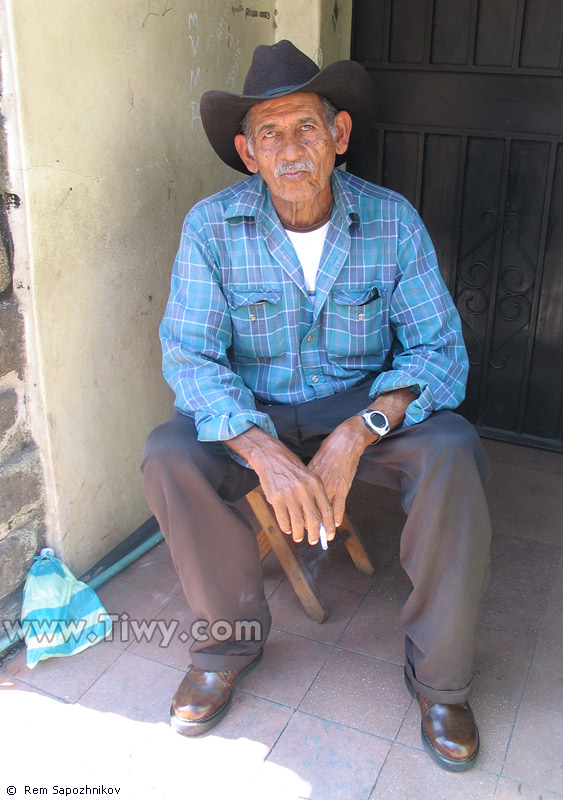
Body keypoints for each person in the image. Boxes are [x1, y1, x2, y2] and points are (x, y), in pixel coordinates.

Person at [141, 40, 491, 772]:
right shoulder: (211, 227)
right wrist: (263, 449)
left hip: (359, 407)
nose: (290, 149)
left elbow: (439, 350)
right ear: (247, 152)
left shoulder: (391, 221)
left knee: (454, 449)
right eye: (270, 133)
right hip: (255, 410)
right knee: (170, 454)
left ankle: (440, 680)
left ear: (339, 136)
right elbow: (192, 358)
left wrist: (356, 433)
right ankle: (225, 647)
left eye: (306, 126)